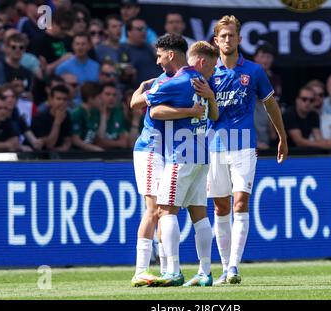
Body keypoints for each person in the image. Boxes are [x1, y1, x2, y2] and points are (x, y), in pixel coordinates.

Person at [208, 15, 288, 285]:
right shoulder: (208, 74)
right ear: (215, 41)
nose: (228, 40)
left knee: (240, 203)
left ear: (240, 39)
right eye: (223, 36)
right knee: (221, 208)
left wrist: (282, 136)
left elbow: (270, 104)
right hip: (213, 147)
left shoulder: (253, 71)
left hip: (243, 146)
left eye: (232, 35)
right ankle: (223, 267)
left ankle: (234, 267)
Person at [129, 34, 213, 287]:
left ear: (171, 54)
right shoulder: (199, 78)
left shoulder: (173, 82)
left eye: (159, 55)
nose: (157, 61)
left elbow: (145, 107)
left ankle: (169, 270)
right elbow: (214, 111)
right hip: (196, 152)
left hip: (178, 153)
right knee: (195, 212)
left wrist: (144, 89)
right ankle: (203, 272)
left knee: (163, 209)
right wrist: (203, 104)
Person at [119, 17, 162, 88]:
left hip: (159, 90)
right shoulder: (122, 49)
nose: (143, 32)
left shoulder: (150, 47)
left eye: (145, 29)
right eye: (139, 29)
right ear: (129, 32)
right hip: (139, 93)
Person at [31, 84, 72, 151]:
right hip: (42, 157)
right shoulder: (39, 118)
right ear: (50, 100)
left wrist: (63, 149)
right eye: (58, 99)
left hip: (61, 154)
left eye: (65, 99)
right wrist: (57, 123)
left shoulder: (67, 115)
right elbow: (49, 145)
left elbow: (67, 140)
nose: (62, 102)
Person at [95, 82, 130, 149]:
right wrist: (103, 115)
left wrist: (106, 143)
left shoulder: (119, 113)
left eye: (114, 95)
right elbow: (98, 142)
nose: (111, 98)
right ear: (99, 96)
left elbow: (124, 143)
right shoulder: (93, 113)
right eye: (107, 94)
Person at [71, 81, 104, 151]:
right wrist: (95, 149)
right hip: (76, 155)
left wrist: (103, 114)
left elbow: (100, 136)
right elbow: (75, 140)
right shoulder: (77, 113)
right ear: (90, 98)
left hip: (91, 153)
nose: (102, 100)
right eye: (100, 98)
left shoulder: (96, 112)